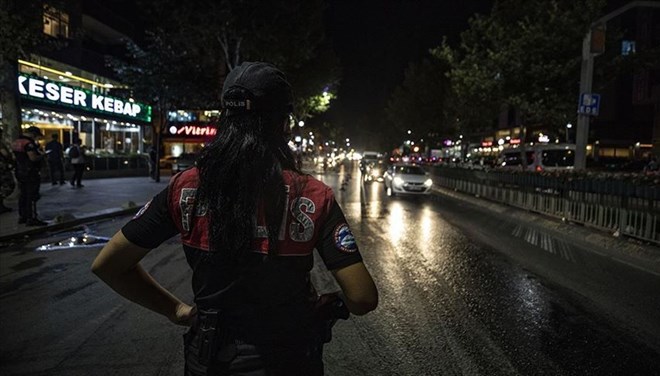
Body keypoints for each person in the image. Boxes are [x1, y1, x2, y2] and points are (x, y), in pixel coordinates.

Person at [92, 62, 378, 375]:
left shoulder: (185, 187)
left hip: (210, 358)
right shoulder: (311, 195)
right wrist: (329, 305)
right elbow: (362, 297)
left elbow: (108, 264)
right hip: (290, 358)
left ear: (225, 118)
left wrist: (175, 309)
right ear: (284, 123)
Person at [11, 126, 47, 226]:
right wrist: (42, 156)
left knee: (23, 194)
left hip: (19, 171)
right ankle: (31, 218)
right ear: (33, 134)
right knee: (31, 195)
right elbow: (33, 158)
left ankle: (23, 216)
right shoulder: (29, 144)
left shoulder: (16, 142)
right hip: (30, 172)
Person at [0, 126, 16, 214]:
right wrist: (11, 160)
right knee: (8, 185)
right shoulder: (1, 143)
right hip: (2, 168)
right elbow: (5, 154)